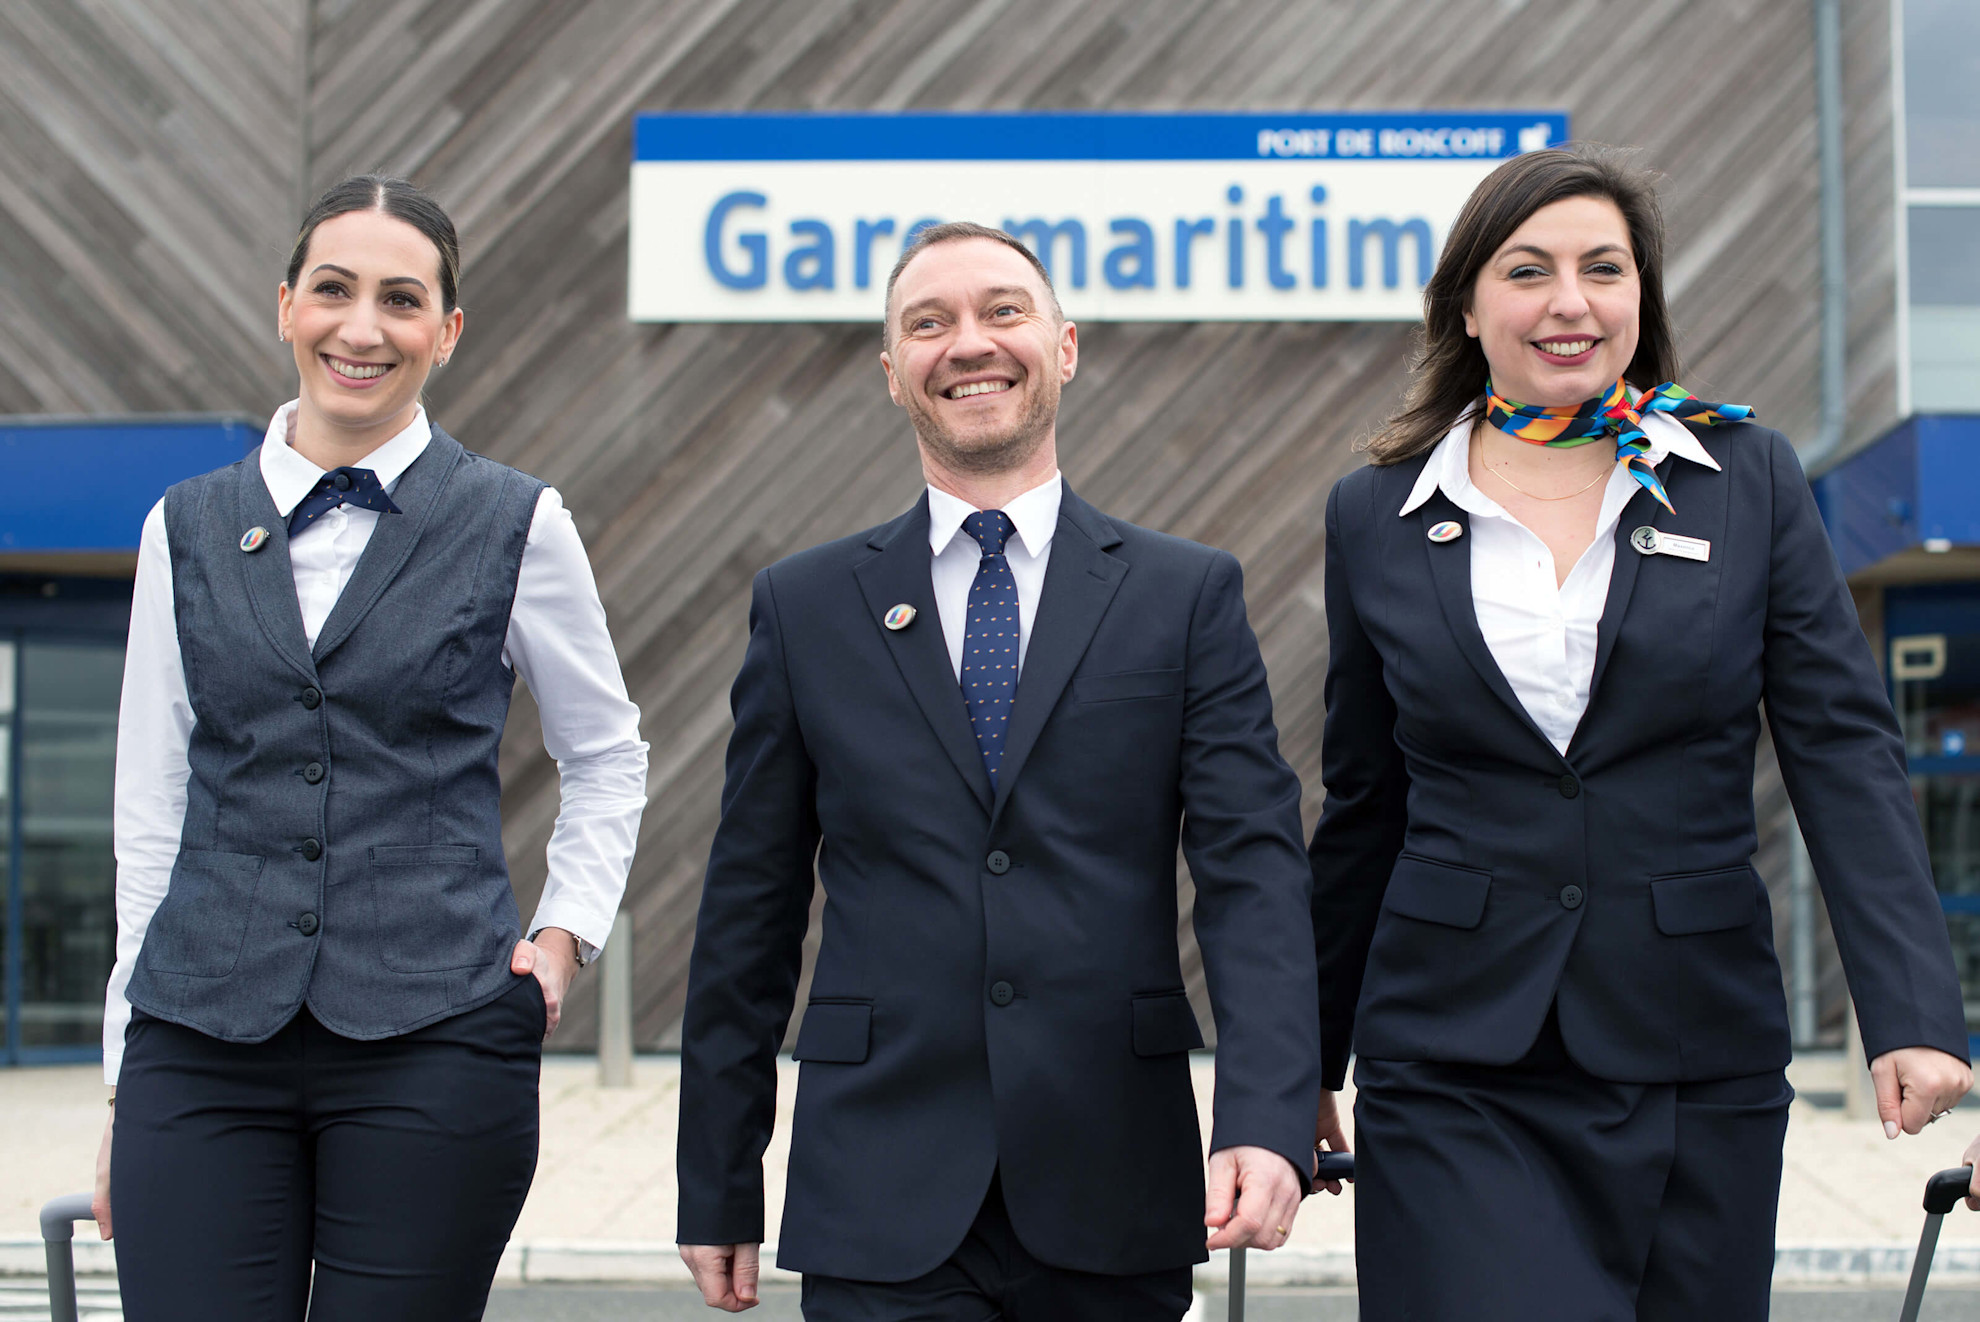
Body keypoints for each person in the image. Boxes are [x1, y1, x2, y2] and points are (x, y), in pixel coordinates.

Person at [1308, 145, 1972, 1321]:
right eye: (1529, 270)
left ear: (1641, 297)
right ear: (1467, 305)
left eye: (1603, 269)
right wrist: (1299, 1060)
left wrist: (1913, 1011)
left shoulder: (1746, 478)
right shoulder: (1380, 511)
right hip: (1454, 1059)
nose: (1570, 301)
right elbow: (1367, 801)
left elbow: (1841, 750)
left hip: (1693, 1048)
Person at [674, 221, 1325, 1320]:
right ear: (894, 373)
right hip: (879, 1185)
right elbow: (750, 907)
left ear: (1064, 347)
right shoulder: (806, 605)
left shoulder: (1184, 595)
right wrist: (718, 1175)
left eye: (1003, 311)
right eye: (929, 323)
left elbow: (1253, 873)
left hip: (1113, 1174)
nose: (969, 342)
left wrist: (1265, 1116)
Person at [90, 175, 649, 1321]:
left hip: (436, 1039)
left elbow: (606, 751)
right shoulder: (182, 525)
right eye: (333, 290)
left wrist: (564, 936)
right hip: (198, 1034)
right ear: (285, 306)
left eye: (402, 299)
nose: (362, 327)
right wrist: (119, 1070)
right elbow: (150, 800)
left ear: (447, 331)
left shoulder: (517, 521)